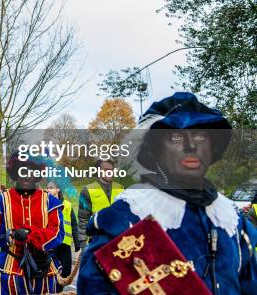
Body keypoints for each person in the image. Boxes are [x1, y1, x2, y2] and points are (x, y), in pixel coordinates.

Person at [77, 92, 257, 294]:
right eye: (176, 136)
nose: (191, 146)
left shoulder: (231, 218)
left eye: (200, 135)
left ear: (212, 145)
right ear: (155, 149)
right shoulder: (130, 213)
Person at [0, 153, 65, 294]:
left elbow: (57, 234)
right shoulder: (2, 200)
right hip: (9, 271)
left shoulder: (50, 202)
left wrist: (30, 234)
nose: (26, 175)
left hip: (43, 270)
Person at [77, 159, 124, 248]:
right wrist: (82, 241)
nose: (110, 172)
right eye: (106, 170)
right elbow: (83, 218)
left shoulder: (121, 188)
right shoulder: (87, 190)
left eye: (111, 170)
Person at [46, 181, 80, 290]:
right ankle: (53, 290)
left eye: (51, 188)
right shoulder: (44, 205)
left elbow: (74, 224)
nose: (48, 190)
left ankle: (58, 289)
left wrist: (77, 241)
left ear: (57, 189)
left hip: (65, 244)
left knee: (66, 271)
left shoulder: (68, 205)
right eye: (47, 188)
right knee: (51, 271)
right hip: (51, 243)